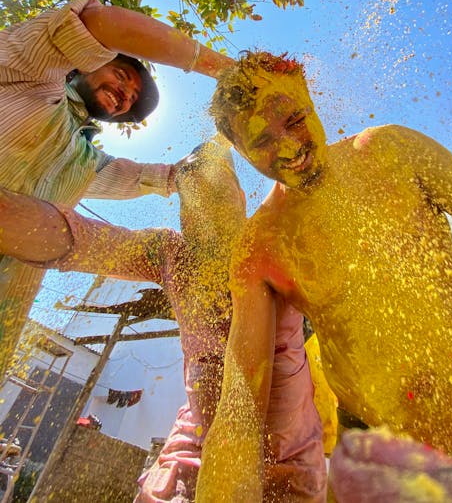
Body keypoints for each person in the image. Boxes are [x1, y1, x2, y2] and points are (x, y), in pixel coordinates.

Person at [191, 50, 452, 500]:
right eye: (262, 142)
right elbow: (240, 409)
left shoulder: (388, 151)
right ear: (239, 149)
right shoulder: (260, 248)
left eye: (295, 119)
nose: (290, 147)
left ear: (307, 93)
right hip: (389, 464)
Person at [0, 141, 327, 502]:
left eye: (218, 190)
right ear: (182, 210)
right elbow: (72, 239)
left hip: (284, 456)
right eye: (193, 191)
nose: (206, 205)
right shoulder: (170, 254)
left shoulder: (272, 243)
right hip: (192, 450)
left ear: (241, 197)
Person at [0, 0, 233, 377]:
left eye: (132, 100)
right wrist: (226, 70)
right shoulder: (27, 71)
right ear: (86, 63)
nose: (126, 94)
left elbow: (165, 176)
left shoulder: (84, 162)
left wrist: (220, 147)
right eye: (123, 76)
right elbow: (97, 24)